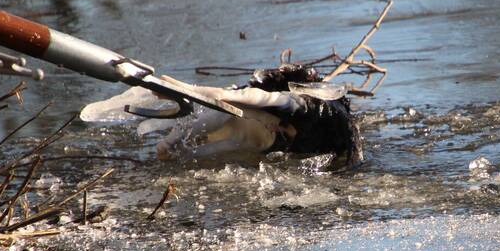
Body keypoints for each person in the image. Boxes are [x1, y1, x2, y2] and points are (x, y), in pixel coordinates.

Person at [80, 63, 363, 164]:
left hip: (315, 144)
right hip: (312, 146)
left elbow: (238, 97)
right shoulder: (305, 113)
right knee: (234, 134)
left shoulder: (305, 107)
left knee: (241, 137)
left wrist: (186, 90)